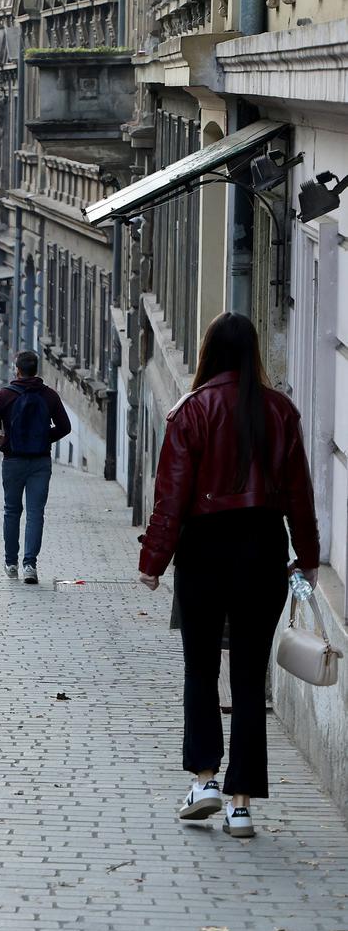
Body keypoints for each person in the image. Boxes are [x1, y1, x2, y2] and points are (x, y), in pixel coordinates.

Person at [137, 312, 319, 840]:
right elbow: (299, 498)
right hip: (263, 549)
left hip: (205, 551)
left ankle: (204, 781)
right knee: (247, 677)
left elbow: (170, 498)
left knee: (199, 669)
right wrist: (306, 556)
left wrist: (153, 562)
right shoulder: (281, 413)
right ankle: (241, 806)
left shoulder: (191, 412)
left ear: (209, 353)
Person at [0, 350, 71, 585]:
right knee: (35, 513)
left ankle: (11, 563)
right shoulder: (49, 395)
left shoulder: (5, 395)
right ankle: (30, 565)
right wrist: (43, 438)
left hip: (13, 460)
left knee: (12, 510)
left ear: (17, 369)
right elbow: (65, 427)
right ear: (36, 369)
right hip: (40, 461)